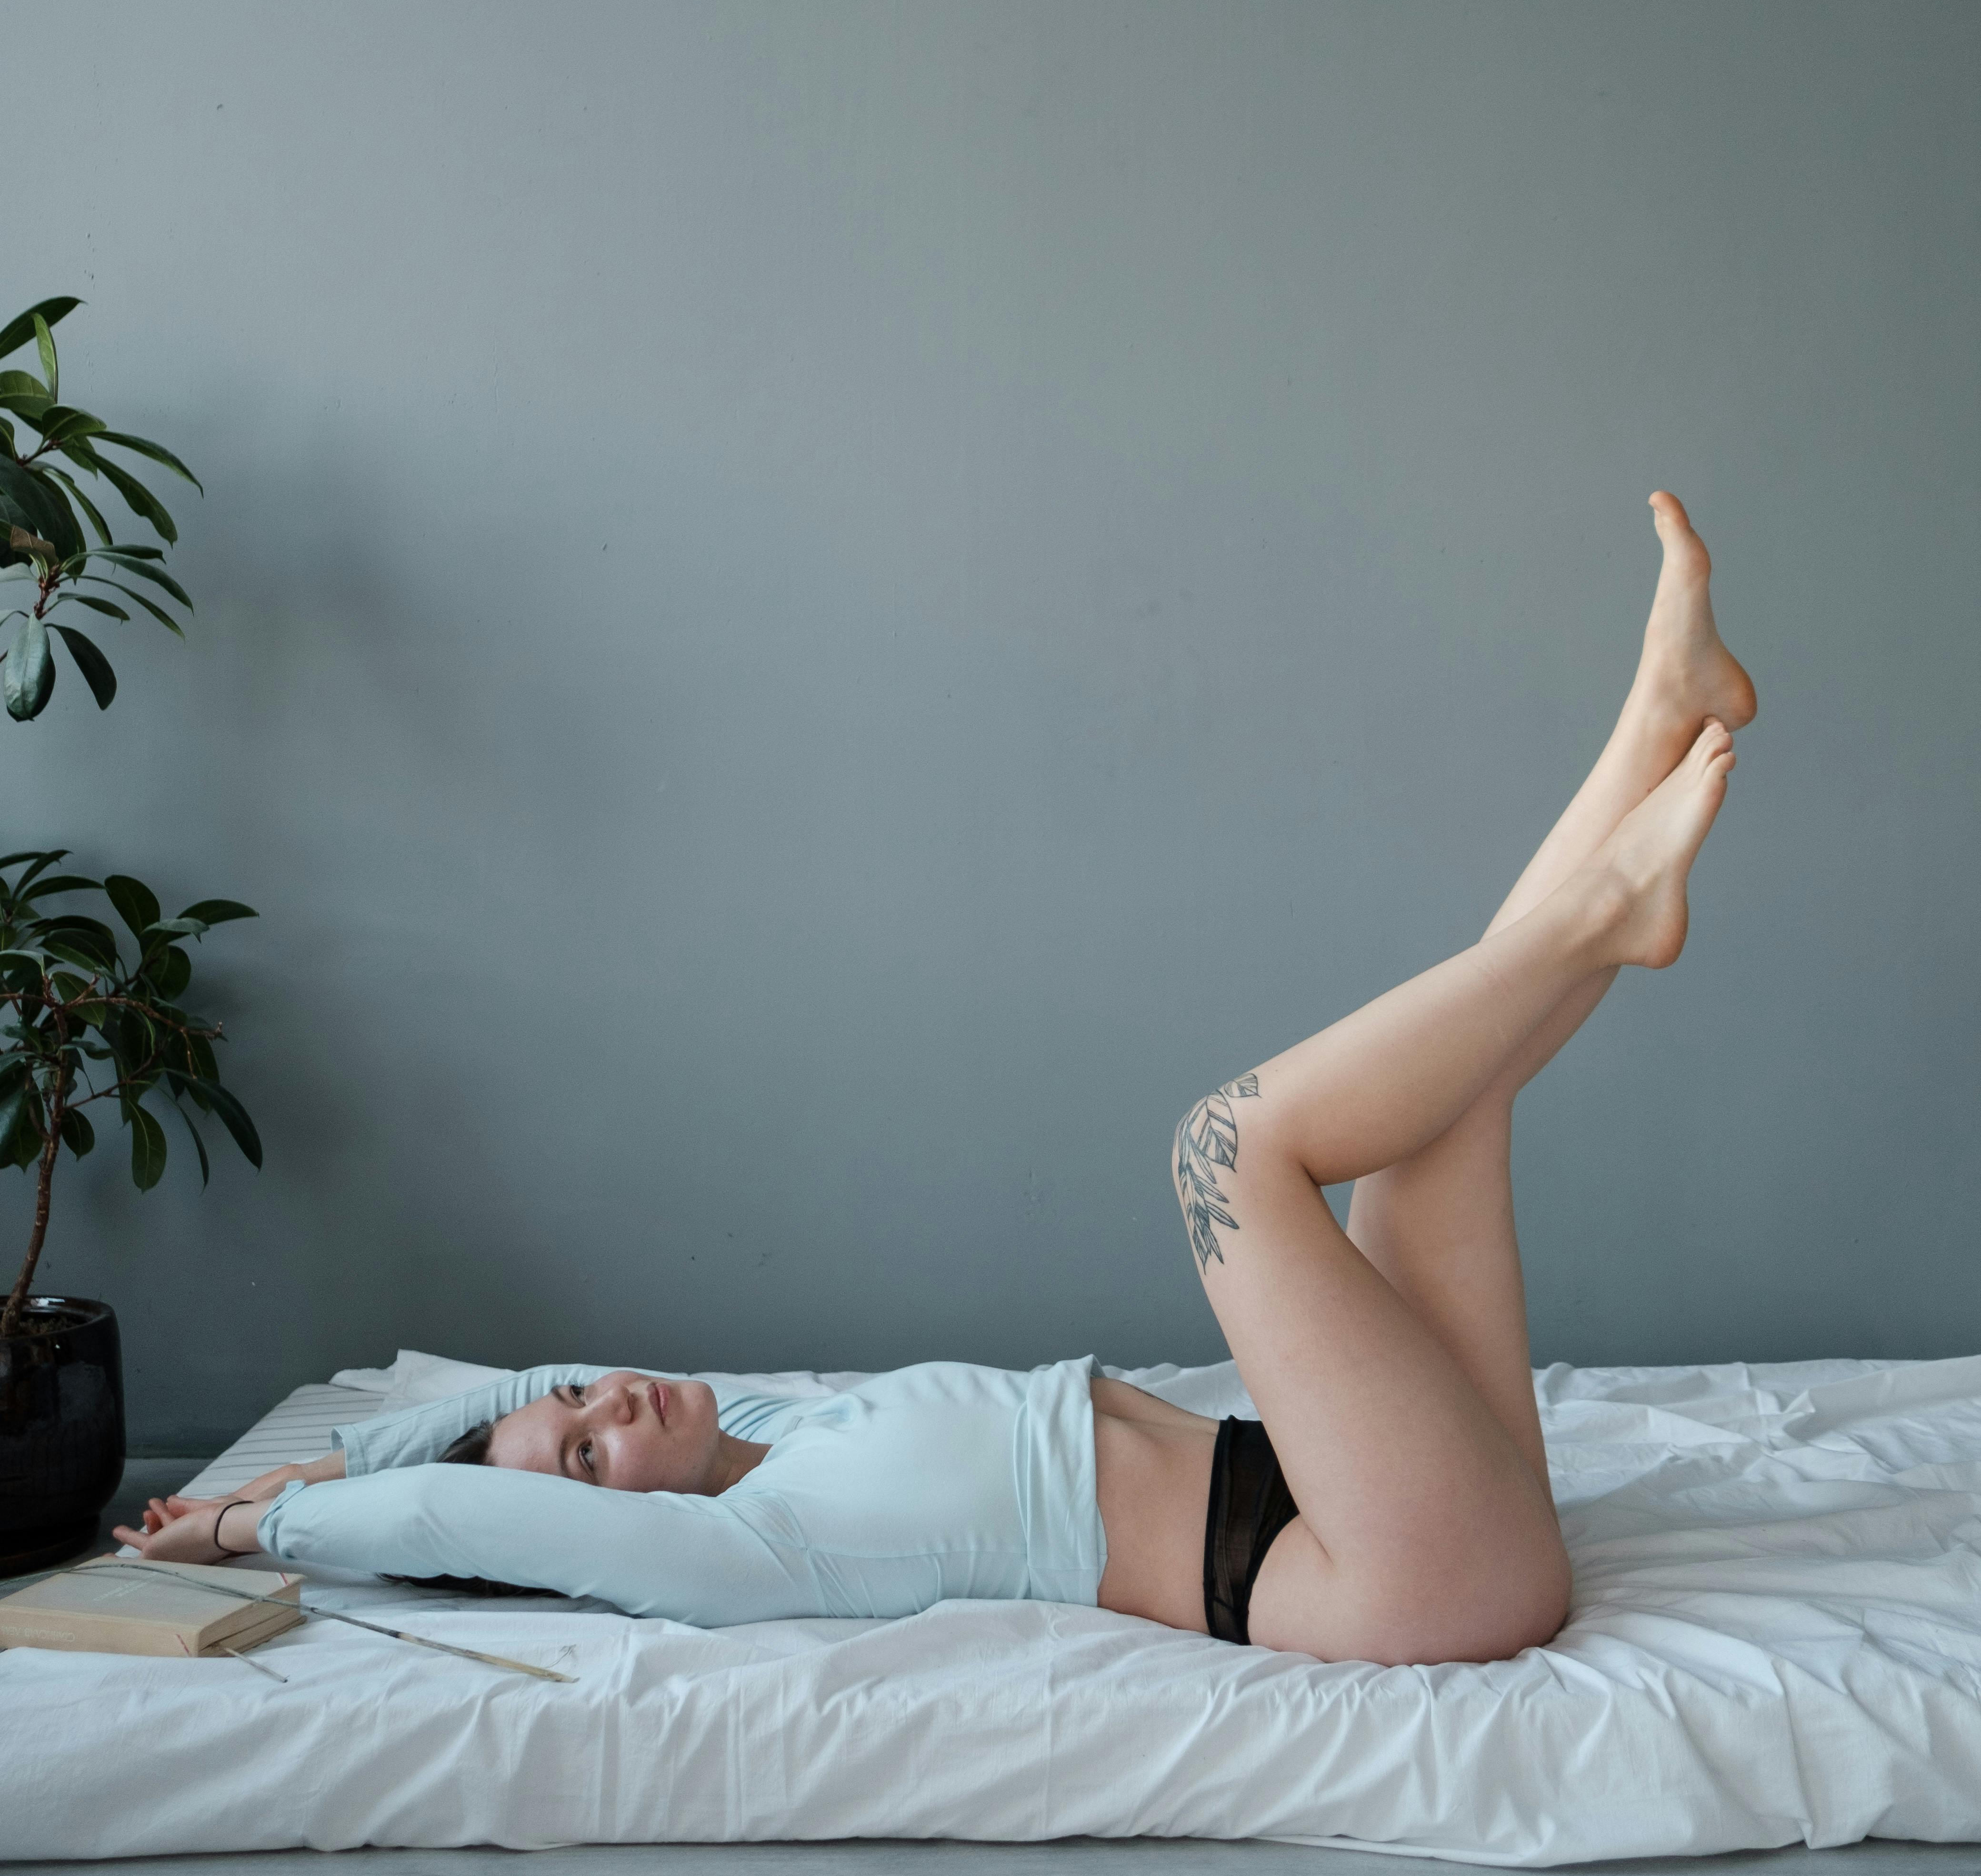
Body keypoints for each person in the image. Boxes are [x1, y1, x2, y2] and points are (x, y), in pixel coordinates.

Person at [117, 492, 1753, 1666]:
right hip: (1394, 1575)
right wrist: (275, 1530)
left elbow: (505, 1411)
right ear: (605, 1528)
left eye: (579, 1410)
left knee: (1426, 1123)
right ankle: (1618, 902)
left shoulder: (768, 1436)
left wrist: (340, 1455)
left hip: (1424, 1498)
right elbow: (468, 1525)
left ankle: (1651, 732)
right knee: (1221, 1153)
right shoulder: (737, 1559)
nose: (608, 1417)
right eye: (593, 1463)